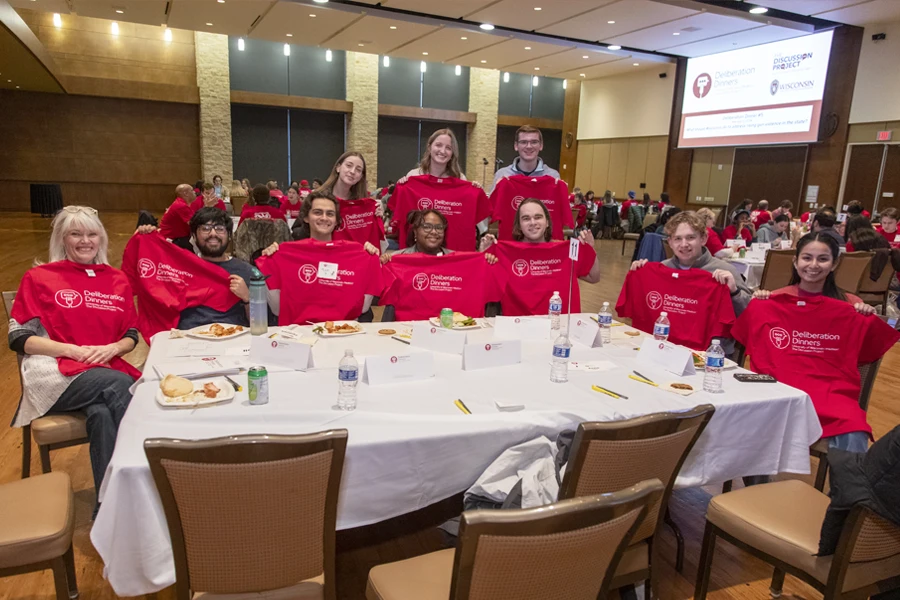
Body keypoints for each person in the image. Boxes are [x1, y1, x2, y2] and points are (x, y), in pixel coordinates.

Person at [8, 206, 139, 513]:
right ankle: (144, 483)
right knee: (121, 386)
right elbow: (18, 339)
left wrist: (114, 348)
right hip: (56, 374)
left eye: (92, 234)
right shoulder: (39, 277)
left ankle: (108, 511)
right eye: (75, 234)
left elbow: (131, 333)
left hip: (103, 369)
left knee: (103, 414)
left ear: (102, 239)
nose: (85, 241)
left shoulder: (117, 279)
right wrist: (71, 350)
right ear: (61, 239)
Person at [747, 232, 883, 452]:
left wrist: (868, 317)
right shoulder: (775, 300)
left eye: (822, 259)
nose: (813, 265)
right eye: (807, 258)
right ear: (795, 261)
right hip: (781, 390)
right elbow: (749, 338)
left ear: (834, 263)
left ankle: (848, 487)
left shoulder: (850, 305)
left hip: (832, 393)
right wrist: (759, 303)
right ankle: (755, 483)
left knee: (854, 429)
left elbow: (869, 351)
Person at [629, 211, 751, 354]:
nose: (684, 244)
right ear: (670, 242)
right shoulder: (663, 269)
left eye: (691, 237)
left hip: (709, 355)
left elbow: (748, 318)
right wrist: (641, 275)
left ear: (703, 239)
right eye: (677, 239)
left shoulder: (725, 271)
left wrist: (735, 292)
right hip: (666, 348)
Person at [258, 191, 381, 324]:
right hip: (299, 334)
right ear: (306, 217)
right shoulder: (285, 254)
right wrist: (271, 258)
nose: (324, 218)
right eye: (317, 212)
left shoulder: (358, 254)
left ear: (336, 220)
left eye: (330, 214)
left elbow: (363, 308)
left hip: (342, 332)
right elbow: (277, 309)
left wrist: (371, 258)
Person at [479, 199, 600, 316]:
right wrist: (483, 256)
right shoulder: (505, 253)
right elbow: (483, 289)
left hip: (559, 328)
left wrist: (590, 249)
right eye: (526, 218)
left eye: (538, 217)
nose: (533, 222)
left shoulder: (567, 250)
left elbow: (593, 277)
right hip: (519, 329)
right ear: (519, 225)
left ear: (547, 222)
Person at [294, 152, 384, 247]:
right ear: (338, 168)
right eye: (349, 165)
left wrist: (378, 215)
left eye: (358, 170)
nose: (352, 171)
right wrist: (317, 226)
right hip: (320, 253)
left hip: (351, 258)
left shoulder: (363, 205)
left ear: (361, 177)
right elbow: (296, 231)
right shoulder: (316, 197)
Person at [492, 125, 561, 185]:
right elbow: (493, 200)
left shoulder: (553, 176)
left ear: (541, 145)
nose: (529, 146)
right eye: (523, 142)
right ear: (516, 146)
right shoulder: (502, 174)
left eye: (534, 142)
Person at [406, 128, 470, 181]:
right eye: (438, 145)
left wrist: (475, 189)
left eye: (448, 148)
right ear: (429, 148)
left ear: (452, 153)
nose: (442, 151)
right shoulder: (413, 175)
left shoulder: (460, 179)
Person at [159, 183, 198, 250]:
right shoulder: (181, 206)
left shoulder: (181, 203)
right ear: (186, 193)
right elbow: (194, 223)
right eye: (192, 190)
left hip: (176, 236)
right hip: (173, 239)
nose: (195, 192)